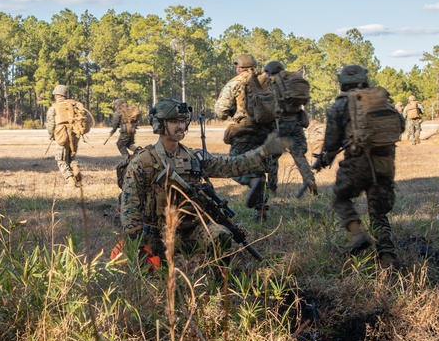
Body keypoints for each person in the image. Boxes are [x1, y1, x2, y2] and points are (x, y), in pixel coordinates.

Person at [120, 99, 281, 259]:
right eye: (174, 121)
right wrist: (138, 247)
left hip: (192, 230)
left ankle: (216, 274)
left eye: (183, 121)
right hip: (158, 236)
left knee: (221, 236)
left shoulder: (193, 158)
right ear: (159, 124)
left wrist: (263, 152)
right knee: (158, 268)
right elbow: (130, 208)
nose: (180, 126)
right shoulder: (144, 162)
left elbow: (229, 166)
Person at [314, 64, 404, 268]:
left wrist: (323, 161)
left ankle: (357, 234)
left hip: (358, 163)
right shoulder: (382, 100)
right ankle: (387, 256)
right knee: (378, 212)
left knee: (340, 197)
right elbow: (401, 125)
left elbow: (331, 142)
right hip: (385, 163)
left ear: (342, 82)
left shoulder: (340, 105)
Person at [214, 53, 274, 215]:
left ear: (239, 67)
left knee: (234, 167)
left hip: (244, 131)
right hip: (267, 132)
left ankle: (252, 181)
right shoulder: (267, 80)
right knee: (259, 168)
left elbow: (221, 111)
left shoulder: (236, 82)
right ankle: (261, 211)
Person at [262, 60, 317, 196]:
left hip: (280, 123)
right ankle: (309, 180)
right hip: (296, 122)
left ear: (269, 72)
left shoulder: (272, 84)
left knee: (273, 158)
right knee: (299, 155)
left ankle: (272, 190)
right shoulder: (291, 82)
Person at [45, 84, 92, 187]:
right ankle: (75, 169)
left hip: (62, 134)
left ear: (56, 95)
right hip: (75, 134)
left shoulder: (54, 107)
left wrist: (51, 135)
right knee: (71, 155)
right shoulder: (73, 105)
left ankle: (70, 180)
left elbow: (50, 124)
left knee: (61, 159)